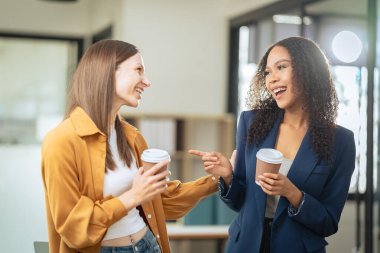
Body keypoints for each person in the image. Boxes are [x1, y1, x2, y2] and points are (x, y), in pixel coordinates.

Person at [41, 40, 218, 253]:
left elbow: (159, 201)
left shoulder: (130, 136)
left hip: (147, 245)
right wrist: (133, 195)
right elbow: (73, 227)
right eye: (138, 70)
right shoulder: (61, 142)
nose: (147, 82)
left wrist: (217, 179)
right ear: (107, 72)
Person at [190, 36, 356, 253]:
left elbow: (328, 222)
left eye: (281, 67)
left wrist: (293, 193)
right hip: (245, 246)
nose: (272, 79)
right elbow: (239, 203)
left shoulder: (340, 141)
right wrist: (228, 176)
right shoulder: (252, 123)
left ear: (308, 70)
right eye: (268, 72)